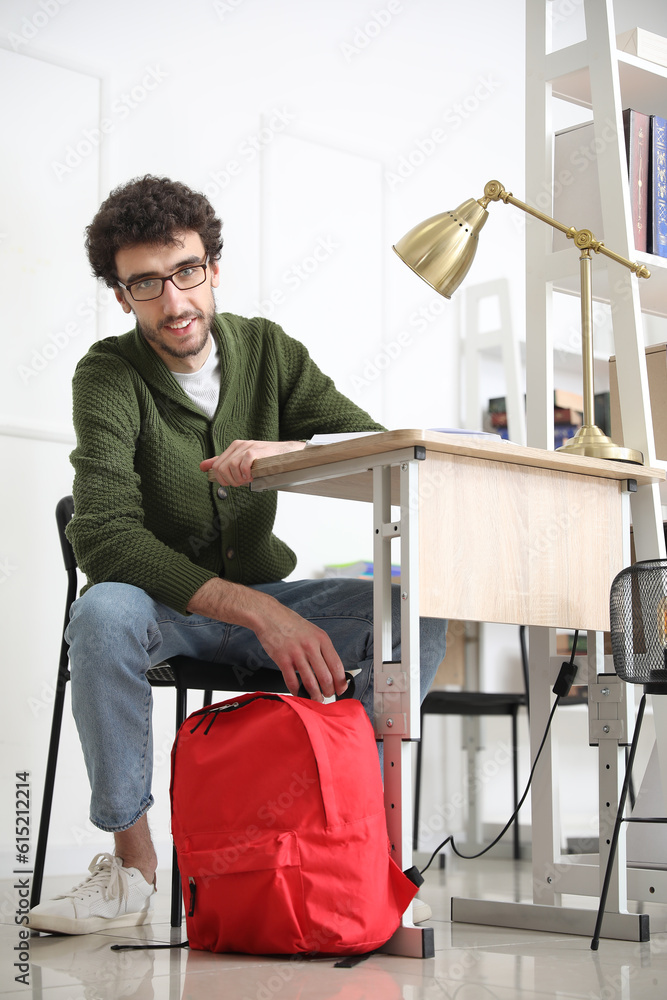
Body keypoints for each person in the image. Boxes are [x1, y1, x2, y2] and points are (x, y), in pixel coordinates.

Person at [28, 175, 447, 936]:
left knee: (417, 618)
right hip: (164, 610)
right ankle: (132, 867)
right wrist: (259, 611)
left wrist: (281, 450)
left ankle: (330, 828)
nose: (175, 301)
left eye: (186, 271)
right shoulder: (107, 374)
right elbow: (106, 536)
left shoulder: (269, 350)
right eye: (146, 284)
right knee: (100, 614)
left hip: (268, 592)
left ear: (212, 267)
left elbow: (372, 451)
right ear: (122, 296)